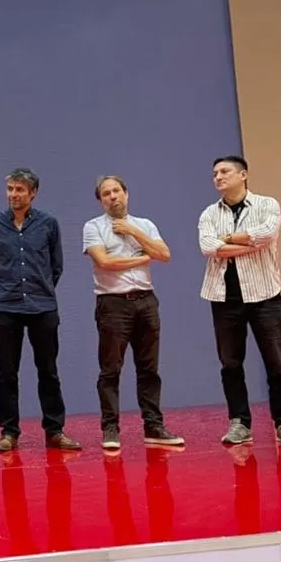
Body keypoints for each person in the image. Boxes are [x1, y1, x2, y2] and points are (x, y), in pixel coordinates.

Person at [198, 155, 281, 446]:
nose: (218, 177)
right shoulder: (209, 214)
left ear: (243, 174)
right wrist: (248, 243)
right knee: (230, 363)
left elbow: (267, 234)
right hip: (224, 298)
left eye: (224, 171)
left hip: (265, 296)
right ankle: (239, 423)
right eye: (215, 173)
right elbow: (209, 247)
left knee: (277, 362)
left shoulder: (266, 205)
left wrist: (230, 239)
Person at [82, 175, 183, 451]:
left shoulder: (145, 225)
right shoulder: (93, 227)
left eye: (116, 191)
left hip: (146, 302)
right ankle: (111, 428)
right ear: (101, 200)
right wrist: (142, 257)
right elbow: (104, 262)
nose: (112, 196)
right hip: (113, 304)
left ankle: (154, 426)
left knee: (149, 368)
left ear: (126, 194)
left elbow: (164, 254)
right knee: (111, 369)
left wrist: (134, 232)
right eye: (106, 193)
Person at [0, 167, 80, 452]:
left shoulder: (49, 224)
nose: (14, 195)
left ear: (33, 193)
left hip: (42, 306)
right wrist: (10, 288)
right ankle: (9, 432)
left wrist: (40, 289)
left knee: (48, 371)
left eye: (20, 190)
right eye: (10, 189)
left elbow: (56, 266)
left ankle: (54, 431)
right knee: (7, 373)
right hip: (6, 306)